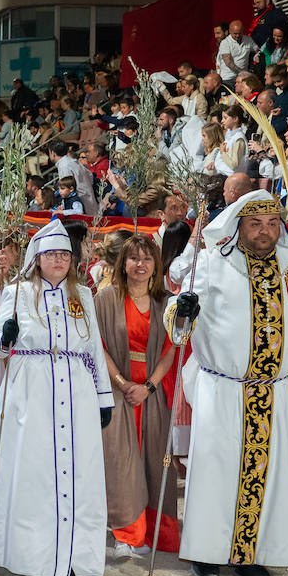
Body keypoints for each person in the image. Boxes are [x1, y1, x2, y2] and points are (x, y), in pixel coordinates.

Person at [168, 191, 288, 576]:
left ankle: (251, 555)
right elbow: (176, 320)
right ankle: (206, 553)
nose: (265, 232)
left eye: (273, 224)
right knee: (214, 471)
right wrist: (182, 311)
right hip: (221, 389)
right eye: (256, 224)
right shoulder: (211, 263)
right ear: (238, 225)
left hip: (272, 393)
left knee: (267, 475)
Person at [0, 220, 112, 576]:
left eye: (65, 255)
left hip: (76, 391)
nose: (59, 260)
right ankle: (32, 555)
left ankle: (81, 563)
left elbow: (94, 348)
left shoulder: (83, 295)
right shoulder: (18, 292)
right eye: (52, 254)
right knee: (35, 475)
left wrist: (103, 396)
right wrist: (4, 339)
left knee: (81, 475)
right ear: (37, 258)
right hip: (31, 393)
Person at [95, 233, 179, 558]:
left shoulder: (167, 302)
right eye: (134, 258)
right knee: (121, 464)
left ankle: (157, 531)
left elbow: (172, 348)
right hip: (120, 394)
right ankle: (126, 532)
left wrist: (149, 387)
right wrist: (122, 383)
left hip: (152, 394)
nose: (140, 264)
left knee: (156, 463)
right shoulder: (105, 299)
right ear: (123, 263)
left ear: (156, 265)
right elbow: (98, 346)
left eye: (147, 258)